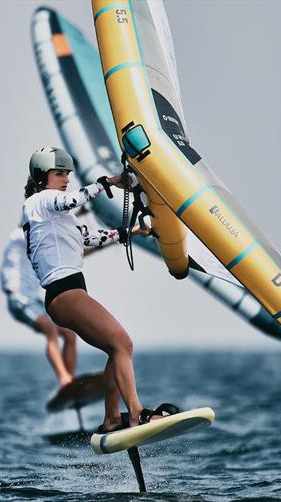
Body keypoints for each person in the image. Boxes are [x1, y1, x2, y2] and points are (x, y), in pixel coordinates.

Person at [21, 146, 169, 432]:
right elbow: (73, 200)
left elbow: (89, 237)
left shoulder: (54, 215)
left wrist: (131, 233)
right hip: (65, 294)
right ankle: (137, 413)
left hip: (69, 295)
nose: (65, 179)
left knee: (117, 350)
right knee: (123, 343)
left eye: (67, 174)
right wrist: (110, 181)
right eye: (59, 173)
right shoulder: (40, 201)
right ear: (42, 176)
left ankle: (113, 418)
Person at [0, 227, 77, 387]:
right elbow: (47, 230)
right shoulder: (19, 236)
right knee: (51, 329)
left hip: (34, 300)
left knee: (70, 334)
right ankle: (64, 380)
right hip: (18, 297)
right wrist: (78, 213)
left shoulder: (39, 246)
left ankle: (71, 382)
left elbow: (69, 254)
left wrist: (108, 243)